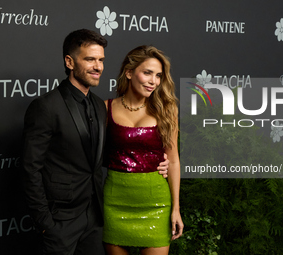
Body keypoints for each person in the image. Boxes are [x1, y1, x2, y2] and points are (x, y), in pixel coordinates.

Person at [21, 29, 169, 255]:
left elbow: (108, 154)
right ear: (69, 62)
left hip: (95, 219)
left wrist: (157, 161)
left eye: (101, 60)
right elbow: (30, 168)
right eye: (89, 59)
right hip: (60, 221)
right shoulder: (46, 106)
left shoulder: (100, 106)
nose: (98, 67)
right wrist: (45, 223)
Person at [103, 45, 184, 255]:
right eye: (147, 73)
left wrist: (176, 209)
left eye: (158, 75)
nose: (153, 81)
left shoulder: (167, 110)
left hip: (156, 203)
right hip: (115, 202)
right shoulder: (105, 108)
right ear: (129, 73)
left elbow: (173, 160)